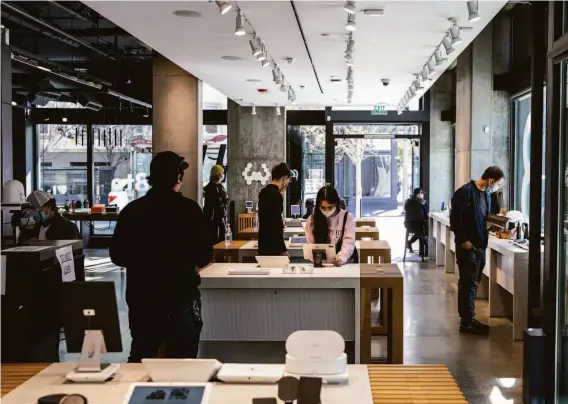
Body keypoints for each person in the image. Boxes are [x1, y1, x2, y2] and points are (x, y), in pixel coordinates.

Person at [110, 151, 212, 362]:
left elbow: (117, 256)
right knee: (183, 363)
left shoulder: (132, 211)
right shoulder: (190, 210)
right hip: (181, 298)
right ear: (177, 178)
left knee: (142, 359)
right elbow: (204, 255)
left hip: (143, 300)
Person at [450, 166, 504, 335]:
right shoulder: (465, 192)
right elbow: (455, 219)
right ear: (490, 181)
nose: (496, 188)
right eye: (497, 184)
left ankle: (469, 319)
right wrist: (464, 241)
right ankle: (466, 323)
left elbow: (485, 217)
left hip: (481, 246)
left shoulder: (487, 195)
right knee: (467, 284)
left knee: (473, 283)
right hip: (468, 247)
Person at [305, 186, 357, 266]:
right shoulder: (312, 220)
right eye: (323, 207)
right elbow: (312, 244)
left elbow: (348, 243)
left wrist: (341, 258)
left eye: (330, 207)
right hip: (321, 264)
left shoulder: (347, 218)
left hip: (343, 264)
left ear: (336, 203)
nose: (326, 211)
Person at [258, 163, 292, 256]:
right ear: (284, 178)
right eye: (288, 180)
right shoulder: (276, 195)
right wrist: (283, 249)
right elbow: (275, 226)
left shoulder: (263, 192)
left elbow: (267, 219)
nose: (288, 183)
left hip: (263, 244)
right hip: (274, 247)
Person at [203, 165, 229, 244]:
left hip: (221, 217)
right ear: (217, 175)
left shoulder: (220, 186)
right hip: (213, 219)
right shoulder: (210, 188)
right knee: (214, 240)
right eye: (221, 173)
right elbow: (216, 203)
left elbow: (224, 199)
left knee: (222, 238)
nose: (222, 175)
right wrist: (224, 201)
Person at [404, 188, 429, 253]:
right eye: (422, 193)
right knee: (424, 230)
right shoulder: (422, 202)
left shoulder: (407, 201)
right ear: (419, 194)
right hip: (418, 225)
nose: (423, 195)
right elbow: (426, 214)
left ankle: (409, 242)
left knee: (419, 232)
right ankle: (425, 247)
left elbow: (406, 210)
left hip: (408, 225)